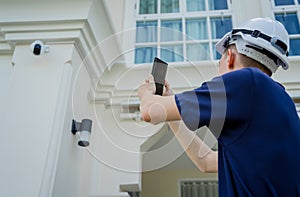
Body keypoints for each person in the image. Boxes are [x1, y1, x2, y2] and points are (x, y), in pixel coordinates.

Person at [138, 18, 300, 196]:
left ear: (230, 57)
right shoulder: (284, 105)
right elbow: (205, 161)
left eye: (220, 62)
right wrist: (171, 107)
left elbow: (149, 112)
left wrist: (146, 93)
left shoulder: (245, 82)